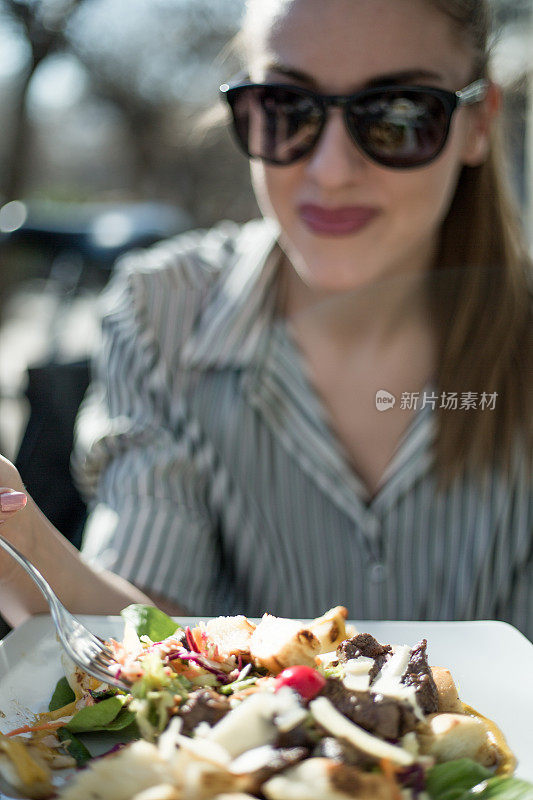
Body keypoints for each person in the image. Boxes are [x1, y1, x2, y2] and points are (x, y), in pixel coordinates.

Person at [0, 0, 531, 636]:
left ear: (477, 122)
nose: (331, 172)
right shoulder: (159, 314)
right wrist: (17, 538)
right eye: (286, 109)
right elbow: (143, 632)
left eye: (397, 116)